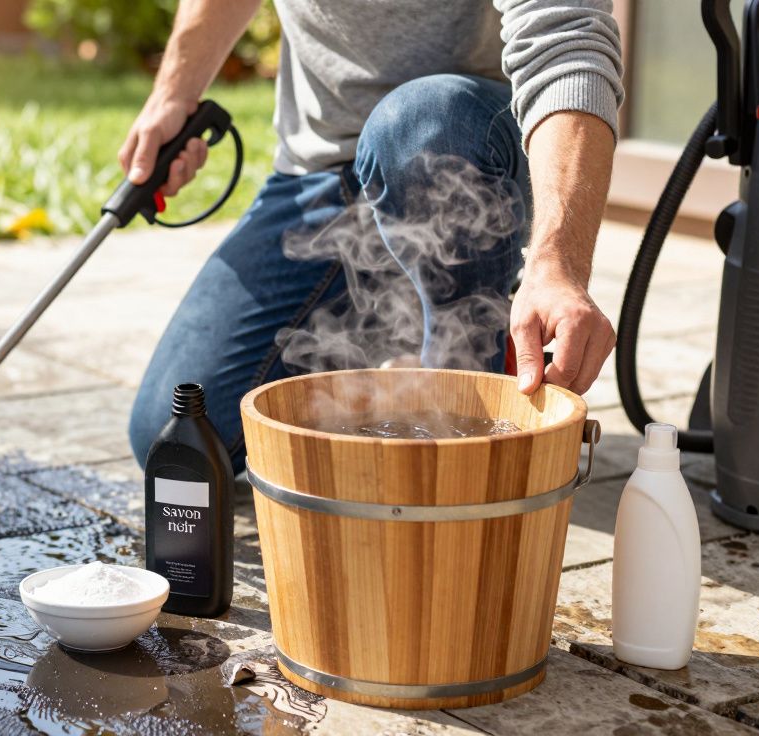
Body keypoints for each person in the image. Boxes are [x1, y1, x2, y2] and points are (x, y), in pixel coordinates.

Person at [125, 0, 623, 471]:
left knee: (417, 125)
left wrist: (557, 263)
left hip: (467, 160)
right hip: (321, 174)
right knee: (174, 437)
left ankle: (465, 402)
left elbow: (567, 40)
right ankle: (398, 319)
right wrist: (174, 92)